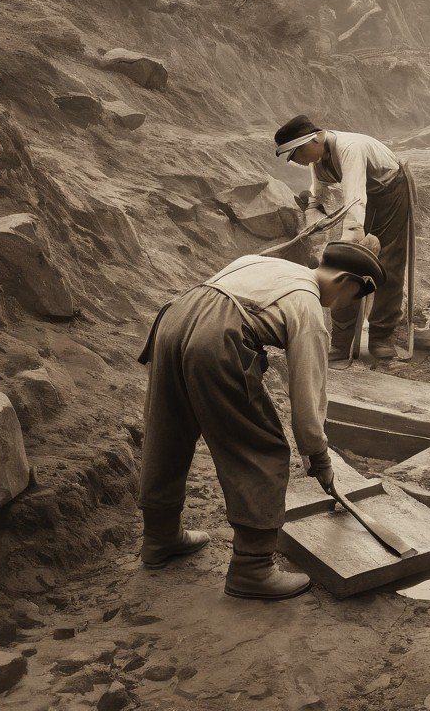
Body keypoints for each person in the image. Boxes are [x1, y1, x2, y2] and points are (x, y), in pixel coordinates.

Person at [137, 240, 387, 600]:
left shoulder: (261, 262)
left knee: (168, 431)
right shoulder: (308, 304)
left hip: (173, 320)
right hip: (216, 337)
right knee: (261, 448)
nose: (348, 305)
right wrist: (318, 457)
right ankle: (252, 569)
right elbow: (308, 394)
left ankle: (159, 537)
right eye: (354, 296)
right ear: (347, 280)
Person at [275, 115, 412, 362]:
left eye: (296, 153)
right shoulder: (317, 158)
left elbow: (355, 198)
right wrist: (313, 212)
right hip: (362, 198)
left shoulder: (351, 149)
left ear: (315, 138)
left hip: (391, 193)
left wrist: (353, 235)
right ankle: (341, 341)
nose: (295, 161)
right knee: (342, 268)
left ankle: (381, 336)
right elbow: (318, 194)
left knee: (387, 263)